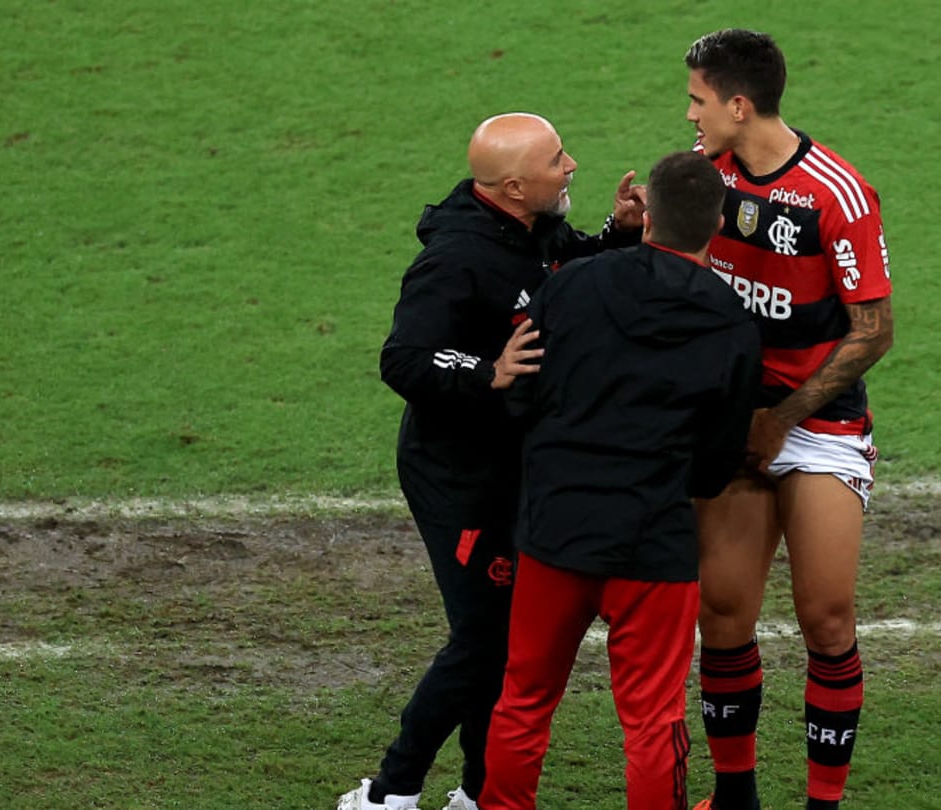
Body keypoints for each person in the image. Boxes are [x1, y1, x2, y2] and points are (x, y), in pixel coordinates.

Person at [338, 112, 647, 810]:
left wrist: (619, 235)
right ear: (513, 186)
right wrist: (488, 371)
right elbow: (404, 357)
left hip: (516, 467)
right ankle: (388, 792)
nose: (571, 167)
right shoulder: (455, 258)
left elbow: (566, 267)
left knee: (502, 641)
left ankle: (478, 792)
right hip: (458, 477)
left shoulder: (529, 227)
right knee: (483, 638)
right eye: (557, 160)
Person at [478, 151, 762, 810]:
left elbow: (520, 398)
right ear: (717, 223)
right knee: (653, 720)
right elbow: (719, 464)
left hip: (555, 529)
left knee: (523, 700)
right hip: (652, 542)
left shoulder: (573, 285)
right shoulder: (730, 321)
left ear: (650, 213)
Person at [682, 29, 895, 810]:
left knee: (826, 616)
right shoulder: (705, 179)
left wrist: (783, 418)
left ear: (739, 105)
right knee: (725, 611)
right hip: (736, 419)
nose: (691, 115)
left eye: (699, 101)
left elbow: (873, 329)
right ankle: (734, 797)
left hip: (819, 419)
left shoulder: (835, 194)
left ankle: (821, 805)